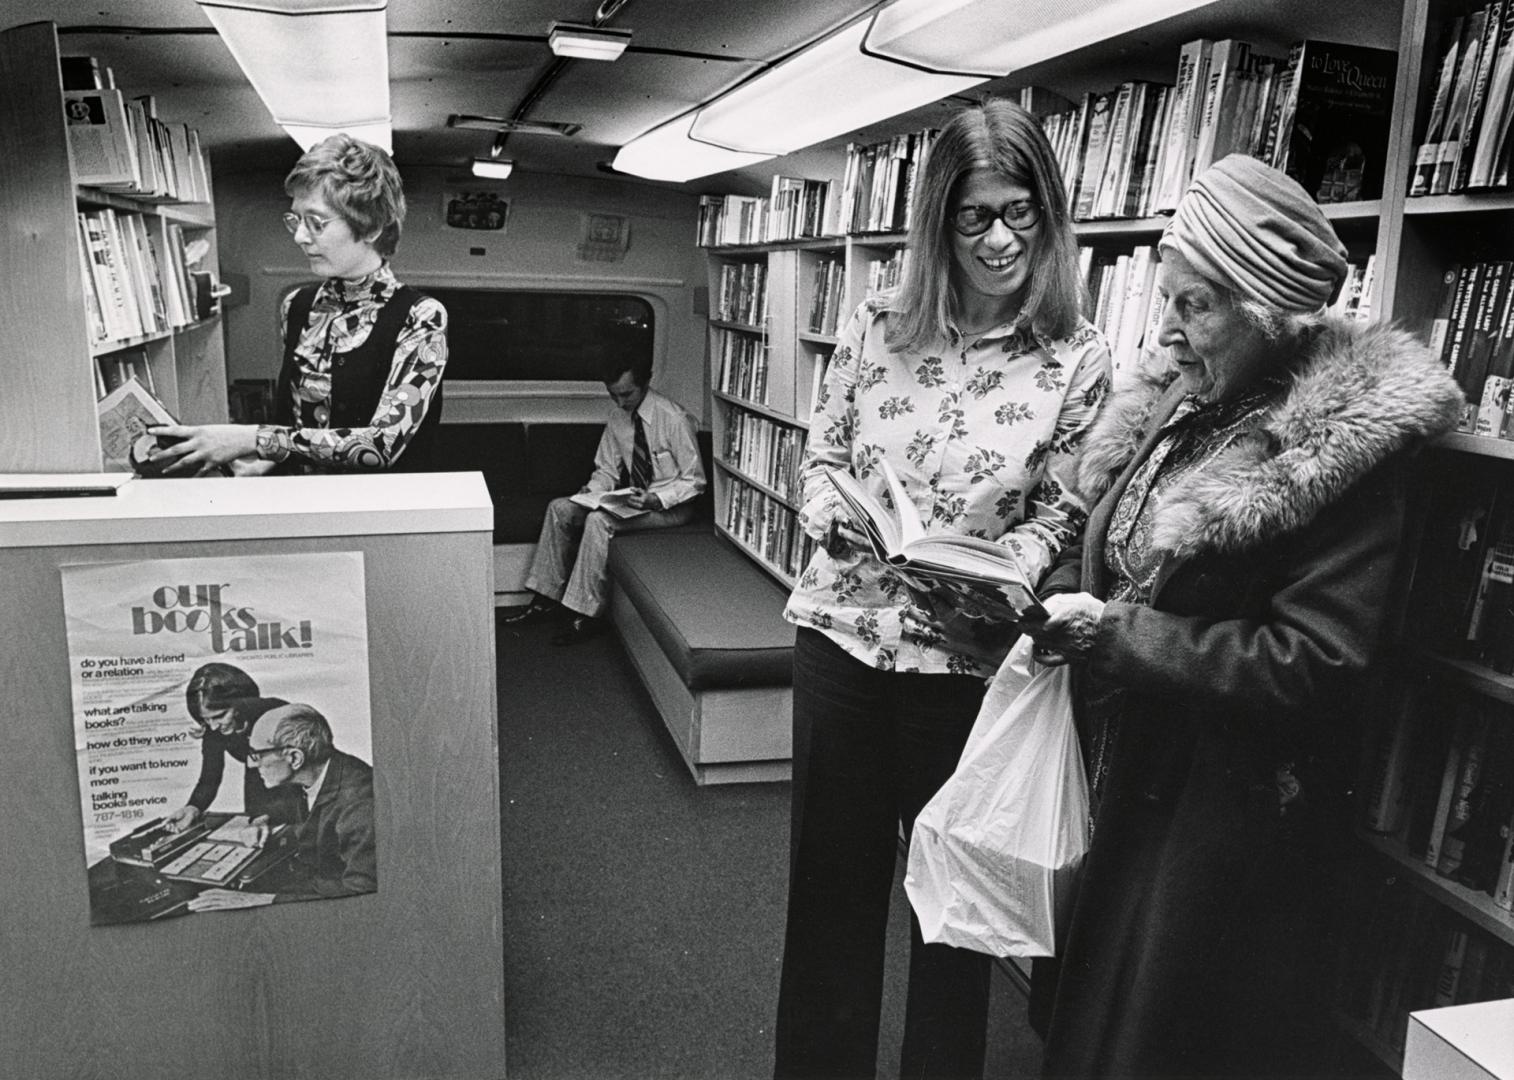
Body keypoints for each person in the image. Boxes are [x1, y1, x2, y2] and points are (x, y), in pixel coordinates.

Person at [1020, 154, 1464, 1079]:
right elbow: (1124, 535)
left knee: (1156, 1043)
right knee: (1091, 1024)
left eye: (1198, 306)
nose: (1170, 334)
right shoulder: (1191, 393)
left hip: (1215, 820)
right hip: (1131, 774)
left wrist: (1118, 636)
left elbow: (1318, 660)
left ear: (1268, 310)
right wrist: (1053, 579)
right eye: (1169, 300)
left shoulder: (1342, 452)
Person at [774, 99, 1111, 1080]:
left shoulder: (1076, 355)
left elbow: (1064, 507)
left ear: (1046, 217)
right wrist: (824, 509)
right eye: (974, 218)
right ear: (937, 223)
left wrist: (1019, 558)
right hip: (842, 635)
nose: (1000, 238)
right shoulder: (877, 320)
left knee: (949, 913)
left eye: (1020, 213)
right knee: (828, 897)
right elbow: (823, 454)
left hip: (963, 664)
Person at [147, 133, 447, 475]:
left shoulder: (422, 316)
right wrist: (266, 465)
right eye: (296, 219)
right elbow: (296, 422)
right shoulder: (297, 305)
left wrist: (254, 439)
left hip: (377, 514)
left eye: (316, 222)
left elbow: (380, 445)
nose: (300, 237)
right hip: (299, 505)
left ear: (372, 227)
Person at [502, 350, 706, 646]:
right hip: (633, 502)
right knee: (559, 508)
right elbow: (607, 470)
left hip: (671, 508)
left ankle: (584, 614)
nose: (621, 402)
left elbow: (695, 481)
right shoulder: (618, 417)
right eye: (613, 396)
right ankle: (545, 599)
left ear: (646, 382)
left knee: (599, 522)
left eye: (627, 394)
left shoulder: (674, 418)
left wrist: (655, 499)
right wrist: (591, 492)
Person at [188, 703, 376, 910]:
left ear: (294, 757)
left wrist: (264, 900)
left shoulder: (359, 803)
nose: (251, 765)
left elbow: (362, 890)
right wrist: (261, 820)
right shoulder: (314, 774)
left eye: (257, 755)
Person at [163, 662, 301, 832]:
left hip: (295, 787)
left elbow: (307, 770)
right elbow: (210, 777)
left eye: (220, 716)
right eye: (206, 719)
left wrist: (270, 814)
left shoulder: (279, 712)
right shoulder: (214, 729)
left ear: (240, 702)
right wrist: (194, 807)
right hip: (256, 785)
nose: (213, 727)